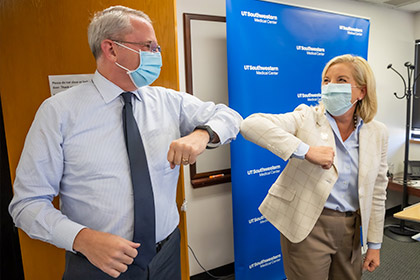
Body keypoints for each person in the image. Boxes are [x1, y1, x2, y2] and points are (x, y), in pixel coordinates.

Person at [9, 5, 242, 280]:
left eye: (157, 47)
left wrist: (202, 135)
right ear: (111, 49)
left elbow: (230, 116)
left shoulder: (168, 101)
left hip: (166, 254)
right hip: (98, 264)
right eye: (148, 46)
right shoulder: (59, 112)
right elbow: (26, 204)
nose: (157, 55)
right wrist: (82, 239)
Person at [240, 54, 388, 280]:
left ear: (362, 91)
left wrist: (375, 243)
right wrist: (305, 151)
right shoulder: (306, 117)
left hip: (351, 228)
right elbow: (250, 124)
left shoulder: (377, 132)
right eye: (326, 80)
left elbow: (377, 191)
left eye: (341, 80)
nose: (330, 86)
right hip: (309, 224)